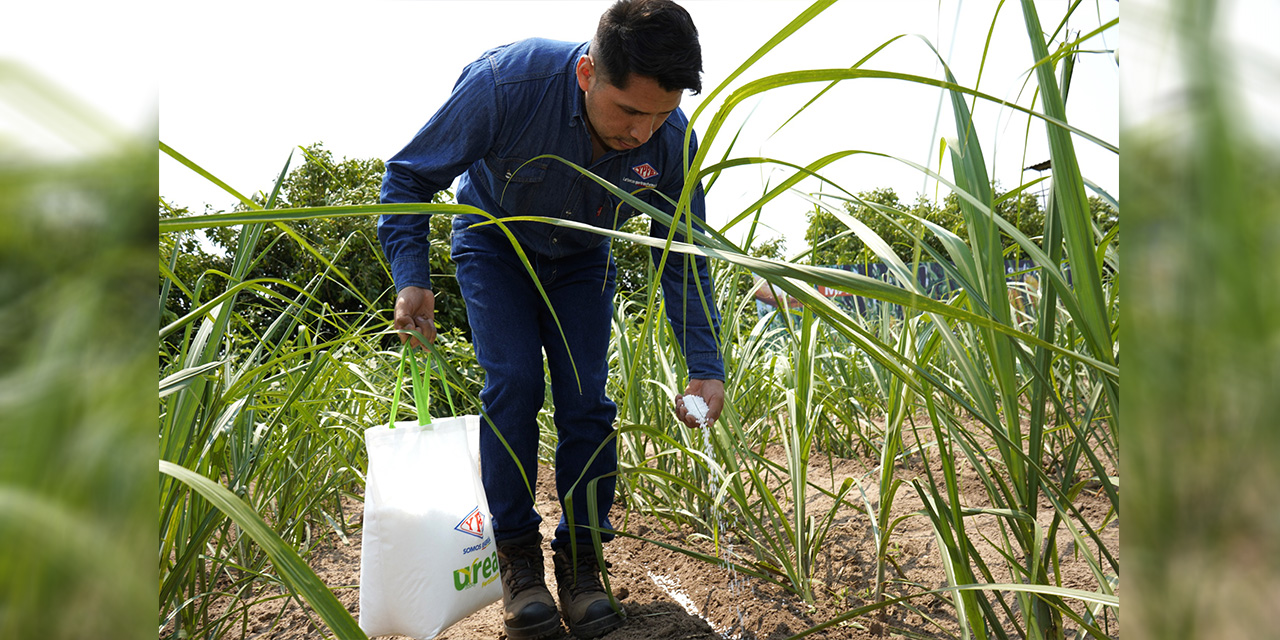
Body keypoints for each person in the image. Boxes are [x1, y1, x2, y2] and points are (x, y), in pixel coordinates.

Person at [377, 1, 724, 637]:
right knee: (512, 384)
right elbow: (407, 175)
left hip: (582, 260)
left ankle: (583, 562)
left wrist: (705, 365)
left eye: (660, 114)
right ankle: (517, 560)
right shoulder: (505, 86)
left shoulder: (670, 140)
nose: (641, 133)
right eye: (628, 111)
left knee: (587, 398)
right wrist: (413, 278)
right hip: (493, 242)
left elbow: (683, 253)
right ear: (589, 73)